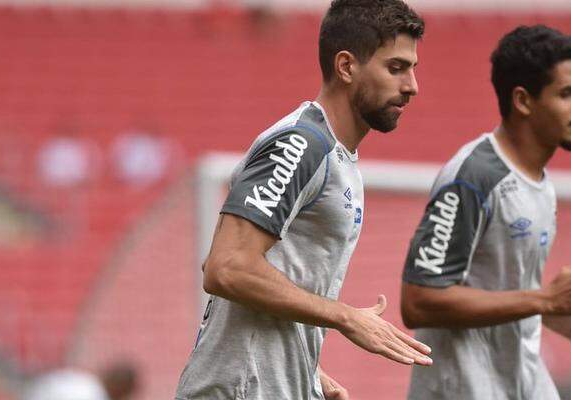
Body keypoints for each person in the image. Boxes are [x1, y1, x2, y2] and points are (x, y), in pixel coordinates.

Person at [175, 1, 429, 399]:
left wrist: (306, 371)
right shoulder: (302, 144)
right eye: (395, 67)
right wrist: (346, 317)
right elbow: (226, 266)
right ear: (346, 66)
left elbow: (248, 270)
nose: (412, 85)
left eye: (412, 68)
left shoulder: (336, 156)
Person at [399, 25, 571, 399]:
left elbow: (494, 290)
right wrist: (544, 300)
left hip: (520, 381)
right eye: (567, 93)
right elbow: (419, 301)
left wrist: (545, 308)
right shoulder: (473, 178)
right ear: (523, 101)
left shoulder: (539, 183)